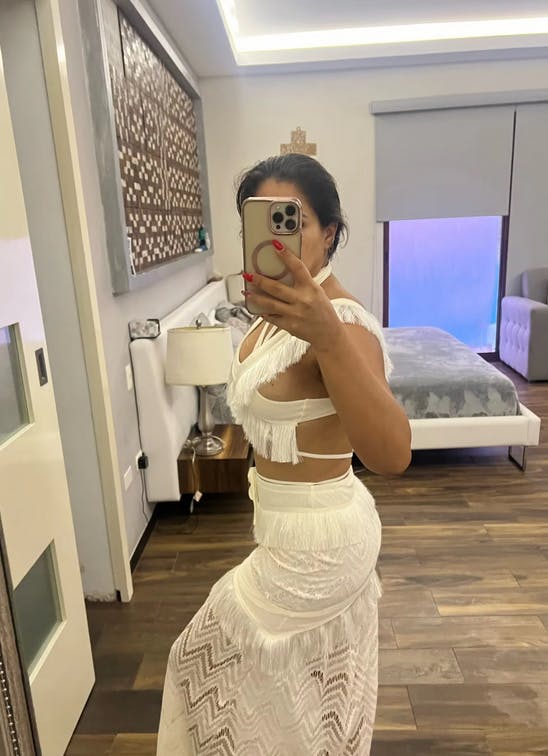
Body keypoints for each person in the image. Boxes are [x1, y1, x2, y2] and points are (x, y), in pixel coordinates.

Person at [157, 154, 411, 755]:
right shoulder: (269, 314)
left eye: (292, 221)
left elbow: (393, 453)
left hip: (321, 541)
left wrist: (327, 335)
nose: (277, 240)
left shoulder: (342, 322)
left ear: (328, 231)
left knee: (198, 665)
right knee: (292, 703)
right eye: (262, 221)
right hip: (282, 528)